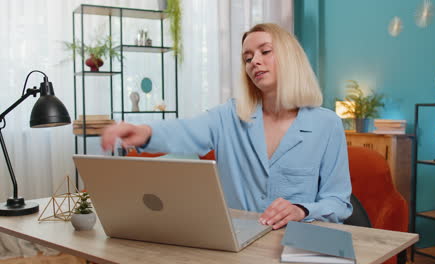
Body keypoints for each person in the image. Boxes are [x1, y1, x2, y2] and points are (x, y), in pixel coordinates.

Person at [101, 23, 352, 230]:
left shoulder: (327, 124)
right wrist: (145, 132)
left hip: (298, 242)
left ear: (290, 56)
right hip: (237, 242)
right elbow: (187, 130)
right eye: (248, 57)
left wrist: (302, 210)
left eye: (265, 51)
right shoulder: (229, 116)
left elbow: (338, 202)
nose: (254, 61)